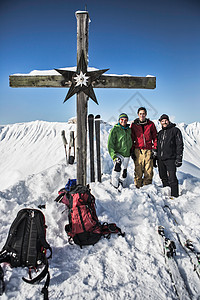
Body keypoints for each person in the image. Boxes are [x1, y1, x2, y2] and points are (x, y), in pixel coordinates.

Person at [157, 114, 184, 198]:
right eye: (162, 121)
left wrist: (179, 158)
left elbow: (180, 145)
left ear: (168, 121)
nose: (164, 122)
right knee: (163, 176)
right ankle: (166, 190)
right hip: (160, 159)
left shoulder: (175, 130)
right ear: (160, 122)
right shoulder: (160, 133)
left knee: (172, 177)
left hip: (171, 159)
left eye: (166, 120)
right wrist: (155, 158)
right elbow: (157, 146)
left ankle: (175, 195)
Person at [131, 107, 157, 188]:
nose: (142, 115)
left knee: (148, 170)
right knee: (138, 170)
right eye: (140, 114)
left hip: (148, 150)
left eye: (143, 114)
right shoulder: (134, 125)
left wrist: (155, 148)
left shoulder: (151, 124)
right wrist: (132, 150)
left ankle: (147, 187)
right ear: (138, 114)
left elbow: (155, 137)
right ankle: (137, 187)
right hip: (138, 150)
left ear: (146, 114)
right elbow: (131, 138)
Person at [108, 113, 133, 189]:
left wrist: (131, 151)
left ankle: (122, 185)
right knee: (117, 167)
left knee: (124, 172)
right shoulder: (115, 129)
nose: (123, 121)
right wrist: (114, 156)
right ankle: (114, 185)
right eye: (122, 119)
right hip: (118, 153)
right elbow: (110, 144)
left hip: (127, 154)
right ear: (119, 120)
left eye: (125, 120)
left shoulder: (129, 130)